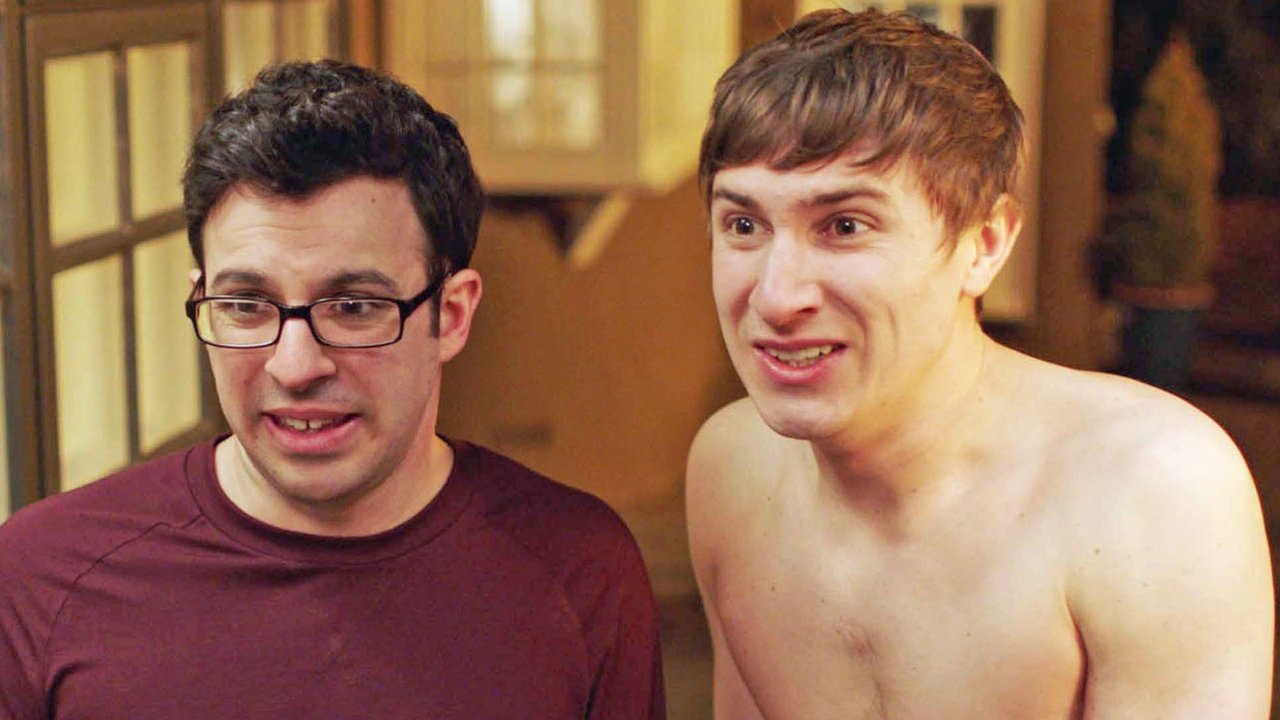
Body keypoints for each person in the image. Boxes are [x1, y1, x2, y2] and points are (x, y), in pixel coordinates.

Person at [0, 60, 664, 719]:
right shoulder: (42, 577)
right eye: (246, 305)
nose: (294, 367)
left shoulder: (581, 571)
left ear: (452, 315)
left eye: (353, 307)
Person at [688, 8, 1273, 719]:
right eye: (744, 224)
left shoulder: (1148, 491)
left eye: (845, 226)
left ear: (985, 243)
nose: (777, 297)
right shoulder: (731, 468)